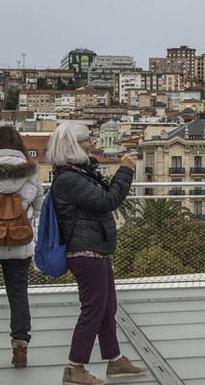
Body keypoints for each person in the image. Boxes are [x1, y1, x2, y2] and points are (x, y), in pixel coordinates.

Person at [46, 123, 146, 385]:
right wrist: (124, 170)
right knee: (93, 308)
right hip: (84, 251)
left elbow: (102, 197)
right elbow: (108, 201)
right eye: (85, 142)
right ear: (72, 146)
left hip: (96, 248)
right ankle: (74, 367)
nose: (91, 144)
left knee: (107, 306)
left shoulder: (77, 173)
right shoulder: (68, 180)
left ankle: (114, 359)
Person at [0, 125, 44, 368]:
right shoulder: (30, 172)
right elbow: (39, 205)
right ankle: (20, 348)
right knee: (18, 294)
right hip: (19, 240)